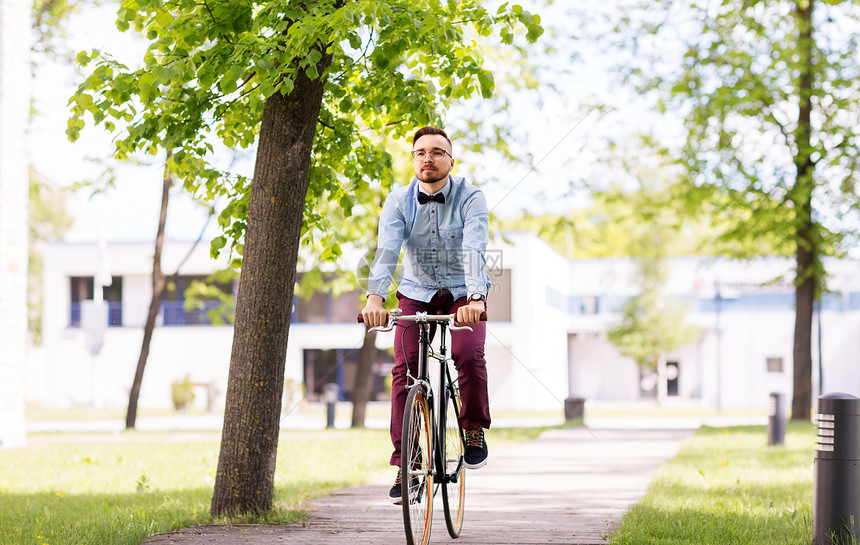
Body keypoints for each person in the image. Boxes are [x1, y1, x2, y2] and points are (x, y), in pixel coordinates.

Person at [361, 126, 492, 504]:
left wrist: (477, 300)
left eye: (437, 152)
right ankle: (408, 465)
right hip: (415, 293)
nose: (428, 158)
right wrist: (374, 299)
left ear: (451, 160)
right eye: (420, 152)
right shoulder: (398, 200)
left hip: (463, 295)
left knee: (468, 354)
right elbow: (387, 250)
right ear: (413, 159)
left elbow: (474, 250)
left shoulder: (471, 198)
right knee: (405, 372)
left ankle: (473, 430)